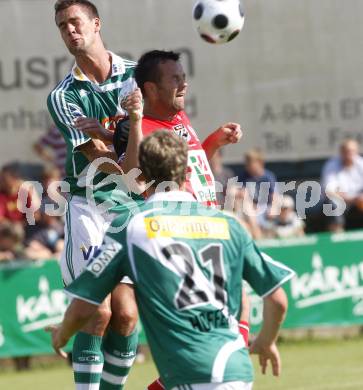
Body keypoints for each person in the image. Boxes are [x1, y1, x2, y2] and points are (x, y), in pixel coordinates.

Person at [47, 131, 294, 390]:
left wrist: (62, 334)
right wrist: (265, 341)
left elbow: (85, 307)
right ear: (188, 171)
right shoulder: (228, 224)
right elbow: (277, 299)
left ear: (139, 173)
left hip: (189, 371)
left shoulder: (133, 226)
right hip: (237, 371)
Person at [47, 1, 143, 388]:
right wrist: (123, 133)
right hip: (90, 207)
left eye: (75, 22)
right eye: (62, 26)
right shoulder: (63, 96)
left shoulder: (139, 77)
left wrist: (110, 132)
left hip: (134, 208)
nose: (70, 30)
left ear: (96, 24)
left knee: (126, 316)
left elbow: (161, 139)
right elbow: (105, 162)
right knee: (97, 312)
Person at [84, 50, 242, 208]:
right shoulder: (131, 127)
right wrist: (135, 120)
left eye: (183, 78)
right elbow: (134, 179)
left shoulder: (179, 116)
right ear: (152, 89)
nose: (184, 84)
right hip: (176, 221)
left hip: (205, 218)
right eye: (175, 79)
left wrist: (215, 141)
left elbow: (190, 168)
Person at [321, 138, 363, 232]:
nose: (349, 154)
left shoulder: (361, 163)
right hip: (341, 201)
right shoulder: (331, 165)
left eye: (352, 151)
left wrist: (359, 198)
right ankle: (337, 238)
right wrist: (352, 199)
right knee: (334, 203)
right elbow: (330, 192)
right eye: (346, 151)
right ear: (341, 152)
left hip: (359, 202)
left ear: (356, 152)